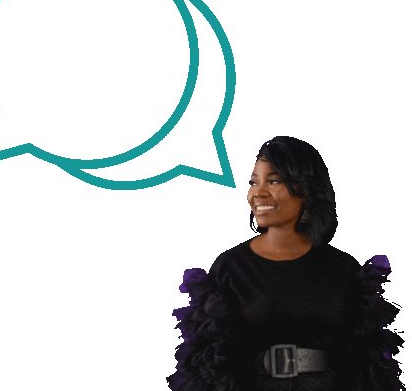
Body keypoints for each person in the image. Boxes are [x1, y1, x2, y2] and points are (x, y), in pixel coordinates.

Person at [166, 136, 404, 391]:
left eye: (273, 181)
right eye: (253, 182)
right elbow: (209, 365)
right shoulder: (230, 266)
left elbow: (365, 363)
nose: (257, 193)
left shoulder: (343, 268)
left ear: (307, 188)